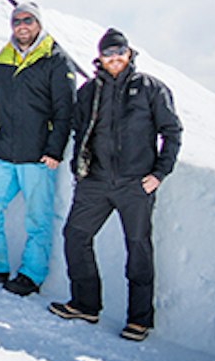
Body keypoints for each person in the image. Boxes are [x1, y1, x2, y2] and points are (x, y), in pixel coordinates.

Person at [50, 29, 182, 341]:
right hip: (95, 181)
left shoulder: (150, 88)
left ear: (129, 54)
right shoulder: (89, 91)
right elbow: (79, 131)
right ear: (100, 57)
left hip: (135, 184)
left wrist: (159, 173)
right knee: (75, 235)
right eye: (108, 53)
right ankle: (85, 304)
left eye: (119, 52)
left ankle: (139, 320)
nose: (114, 58)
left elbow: (172, 132)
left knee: (137, 247)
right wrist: (78, 168)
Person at [0, 1, 75, 295]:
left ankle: (31, 275)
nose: (22, 26)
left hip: (37, 156)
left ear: (39, 24)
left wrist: (54, 150)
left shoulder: (56, 60)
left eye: (28, 20)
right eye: (17, 21)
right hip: (3, 152)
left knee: (37, 218)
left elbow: (65, 110)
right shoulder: (4, 58)